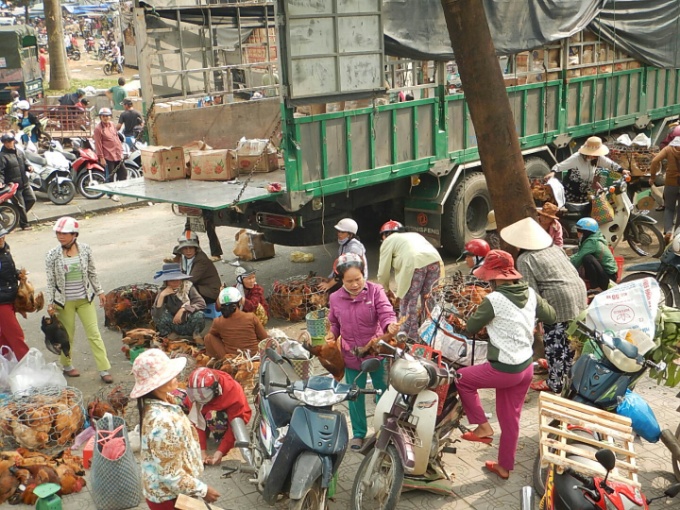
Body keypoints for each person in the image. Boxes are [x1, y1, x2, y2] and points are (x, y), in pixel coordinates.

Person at [458, 250, 556, 480]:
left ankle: (482, 427)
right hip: (526, 367)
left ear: (495, 277)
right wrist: (526, 320)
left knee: (462, 379)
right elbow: (550, 315)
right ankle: (504, 467)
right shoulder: (530, 293)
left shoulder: (495, 299)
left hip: (504, 369)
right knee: (510, 418)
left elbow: (471, 326)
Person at [500, 217, 587, 393]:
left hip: (558, 299)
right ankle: (568, 373)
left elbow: (531, 293)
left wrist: (534, 321)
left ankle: (555, 383)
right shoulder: (555, 249)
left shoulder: (525, 259)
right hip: (579, 292)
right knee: (571, 339)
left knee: (554, 340)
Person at [326, 253, 399, 450]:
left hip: (376, 353)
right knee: (354, 395)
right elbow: (334, 322)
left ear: (363, 274)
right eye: (349, 281)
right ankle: (358, 434)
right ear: (341, 280)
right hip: (351, 355)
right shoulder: (334, 298)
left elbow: (386, 312)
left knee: (382, 392)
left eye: (358, 279)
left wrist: (390, 325)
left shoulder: (375, 291)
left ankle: (384, 429)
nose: (355, 284)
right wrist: (332, 334)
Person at [131, 349, 220, 509]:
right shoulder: (161, 422)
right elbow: (170, 475)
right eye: (168, 374)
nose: (176, 375)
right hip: (169, 497)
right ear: (156, 384)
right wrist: (203, 490)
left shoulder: (165, 401)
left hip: (172, 490)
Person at [45, 217, 113, 383]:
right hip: (64, 302)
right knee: (66, 335)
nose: (61, 236)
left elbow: (92, 273)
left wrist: (100, 291)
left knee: (94, 334)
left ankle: (104, 369)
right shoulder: (52, 255)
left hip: (84, 299)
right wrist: (50, 302)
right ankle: (67, 365)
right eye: (58, 233)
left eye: (65, 233)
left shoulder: (85, 250)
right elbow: (50, 281)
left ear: (74, 234)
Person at [376, 220, 444, 340]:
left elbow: (383, 272)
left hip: (415, 264)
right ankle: (431, 336)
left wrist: (385, 290)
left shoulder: (388, 240)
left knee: (409, 303)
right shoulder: (414, 235)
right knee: (430, 301)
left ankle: (410, 338)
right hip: (434, 261)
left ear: (386, 234)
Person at [183, 367, 252, 466]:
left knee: (213, 417)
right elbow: (196, 419)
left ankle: (219, 436)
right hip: (206, 412)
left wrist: (221, 452)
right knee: (176, 399)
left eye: (204, 395)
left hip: (229, 416)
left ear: (216, 389)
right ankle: (205, 433)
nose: (200, 397)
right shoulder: (196, 393)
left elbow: (234, 425)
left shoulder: (232, 391)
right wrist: (201, 451)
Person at [545, 136, 624, 203]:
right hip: (571, 194)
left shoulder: (598, 158)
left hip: (586, 194)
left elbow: (610, 164)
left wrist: (622, 170)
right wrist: (553, 172)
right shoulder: (576, 158)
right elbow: (559, 166)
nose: (596, 156)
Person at [203, 287, 268, 359]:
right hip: (254, 357)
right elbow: (264, 338)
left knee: (208, 337)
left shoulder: (218, 322)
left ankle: (218, 361)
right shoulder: (251, 317)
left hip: (233, 360)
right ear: (240, 301)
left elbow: (212, 336)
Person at [152, 263, 206, 342]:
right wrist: (162, 296)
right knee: (158, 316)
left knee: (200, 315)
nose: (176, 283)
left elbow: (201, 303)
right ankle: (171, 335)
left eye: (178, 279)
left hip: (189, 322)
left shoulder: (188, 286)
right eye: (172, 280)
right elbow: (156, 315)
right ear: (166, 282)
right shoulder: (163, 291)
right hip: (173, 323)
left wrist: (183, 309)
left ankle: (196, 334)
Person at [0, 228, 28, 360]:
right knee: (16, 335)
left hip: (9, 298)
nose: (1, 240)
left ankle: (7, 366)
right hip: (2, 302)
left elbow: (7, 270)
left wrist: (17, 274)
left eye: (3, 236)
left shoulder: (4, 250)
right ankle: (27, 365)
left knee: (5, 338)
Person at [319, 218, 368, 293]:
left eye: (342, 232)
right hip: (347, 276)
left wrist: (329, 285)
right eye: (338, 231)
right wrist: (330, 278)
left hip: (355, 280)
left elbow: (345, 270)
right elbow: (339, 265)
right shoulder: (344, 244)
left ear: (350, 234)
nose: (339, 234)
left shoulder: (354, 248)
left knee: (330, 293)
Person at [570, 217, 618, 292]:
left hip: (608, 279)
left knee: (587, 258)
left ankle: (596, 287)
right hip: (605, 273)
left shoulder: (592, 242)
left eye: (579, 231)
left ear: (586, 232)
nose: (577, 233)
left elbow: (577, 259)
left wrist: (564, 262)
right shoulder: (594, 237)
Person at [0, 133, 35, 231]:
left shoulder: (19, 152)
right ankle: (24, 224)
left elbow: (25, 162)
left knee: (32, 199)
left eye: (10, 142)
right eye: (6, 142)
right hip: (14, 185)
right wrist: (1, 181)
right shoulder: (2, 156)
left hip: (25, 182)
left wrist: (29, 167)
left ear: (13, 141)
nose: (8, 144)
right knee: (21, 205)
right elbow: (0, 171)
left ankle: (18, 215)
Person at [650, 137, 680, 244]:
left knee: (669, 209)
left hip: (670, 183)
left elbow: (655, 161)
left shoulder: (668, 149)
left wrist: (652, 177)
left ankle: (668, 231)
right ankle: (677, 235)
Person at [176, 231, 220, 304]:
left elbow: (191, 280)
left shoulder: (201, 260)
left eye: (191, 248)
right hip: (198, 287)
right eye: (185, 248)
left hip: (210, 293)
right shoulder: (184, 257)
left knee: (185, 290)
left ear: (196, 248)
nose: (188, 251)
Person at [93, 107, 126, 193]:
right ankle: (111, 194)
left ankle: (120, 190)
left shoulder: (112, 124)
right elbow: (98, 144)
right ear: (100, 117)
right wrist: (101, 157)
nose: (106, 118)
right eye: (104, 116)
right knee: (110, 176)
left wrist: (122, 150)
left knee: (123, 173)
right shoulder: (98, 129)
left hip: (117, 154)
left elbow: (116, 137)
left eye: (108, 116)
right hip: (108, 155)